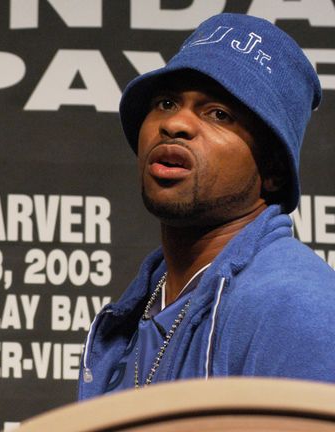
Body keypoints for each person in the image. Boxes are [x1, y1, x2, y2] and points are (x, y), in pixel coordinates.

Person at [78, 13, 335, 400]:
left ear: (275, 170)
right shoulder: (150, 302)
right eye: (165, 102)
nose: (176, 124)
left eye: (219, 114)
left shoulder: (296, 306)